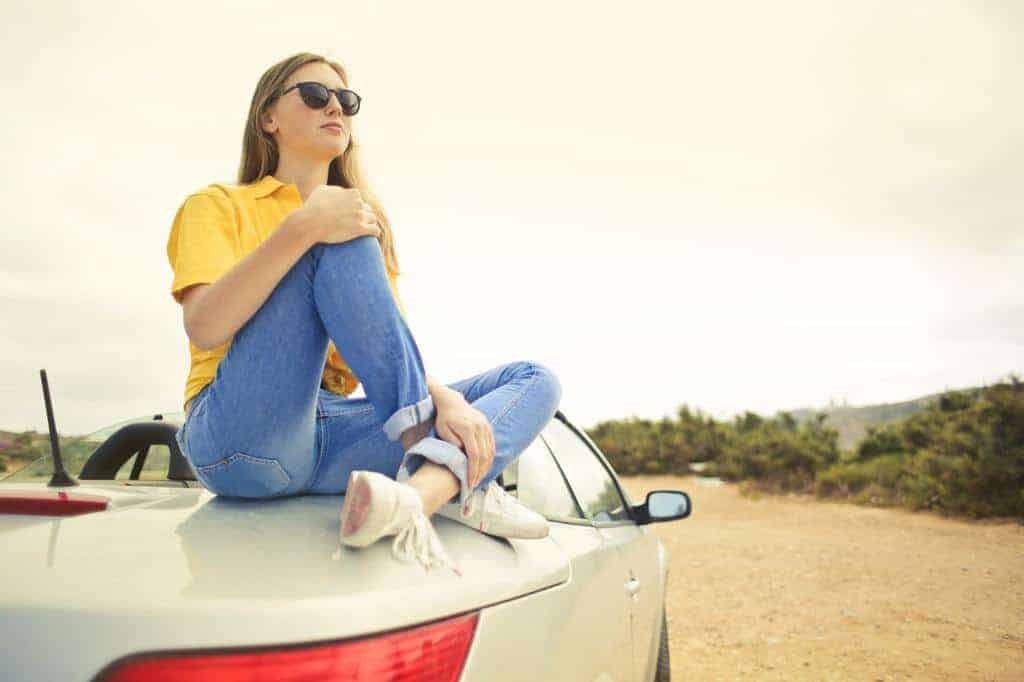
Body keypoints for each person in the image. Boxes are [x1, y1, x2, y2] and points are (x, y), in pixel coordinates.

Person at [167, 52, 563, 577]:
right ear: (269, 118)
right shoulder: (218, 204)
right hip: (237, 434)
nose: (336, 107)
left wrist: (446, 401)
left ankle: (423, 494)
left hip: (327, 437)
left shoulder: (362, 222)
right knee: (339, 226)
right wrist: (302, 229)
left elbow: (381, 349)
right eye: (314, 95)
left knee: (533, 379)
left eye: (346, 101)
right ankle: (453, 471)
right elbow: (206, 325)